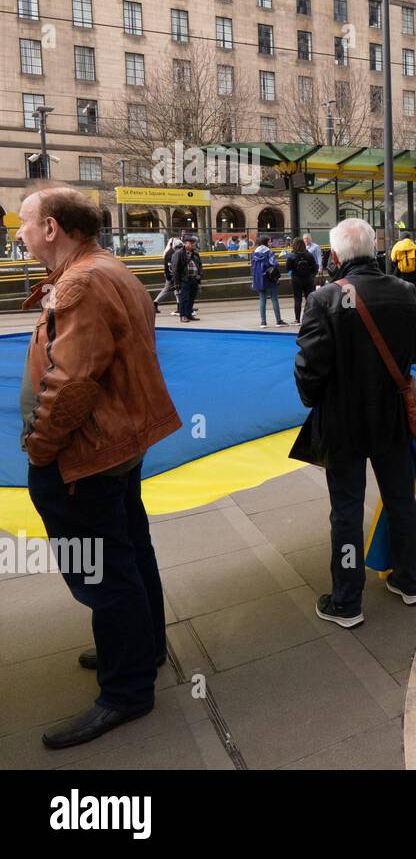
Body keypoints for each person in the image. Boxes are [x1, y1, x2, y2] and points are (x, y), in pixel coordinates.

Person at [18, 187, 181, 749]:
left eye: (25, 222)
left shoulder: (82, 282)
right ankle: (143, 646)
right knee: (131, 549)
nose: (18, 231)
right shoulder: (108, 269)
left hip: (85, 455)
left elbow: (72, 381)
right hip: (117, 446)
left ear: (53, 229)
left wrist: (40, 448)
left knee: (103, 573)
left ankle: (126, 690)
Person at [291, 218, 416, 626]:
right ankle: (410, 579)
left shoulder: (323, 299)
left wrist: (314, 401)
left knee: (347, 510)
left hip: (343, 422)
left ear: (335, 256)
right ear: (373, 249)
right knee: (401, 499)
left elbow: (308, 369)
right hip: (392, 418)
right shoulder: (405, 292)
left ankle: (347, 601)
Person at [251, 236, 288, 327]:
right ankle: (278, 321)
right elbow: (274, 263)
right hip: (269, 278)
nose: (271, 243)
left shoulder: (254, 253)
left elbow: (252, 267)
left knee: (262, 299)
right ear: (266, 243)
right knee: (274, 298)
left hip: (259, 278)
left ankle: (263, 322)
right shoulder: (269, 252)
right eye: (270, 242)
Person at [287, 237, 317, 324]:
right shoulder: (309, 255)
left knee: (297, 299)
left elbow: (288, 268)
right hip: (308, 279)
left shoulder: (291, 256)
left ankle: (297, 320)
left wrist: (293, 274)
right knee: (309, 299)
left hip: (296, 280)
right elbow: (315, 267)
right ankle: (310, 318)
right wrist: (311, 276)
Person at [172, 235, 202, 323]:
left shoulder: (195, 254)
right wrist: (176, 282)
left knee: (191, 298)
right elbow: (175, 268)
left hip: (194, 279)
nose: (193, 244)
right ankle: (183, 315)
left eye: (194, 243)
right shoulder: (179, 253)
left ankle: (189, 314)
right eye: (191, 243)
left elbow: (200, 265)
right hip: (184, 279)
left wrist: (199, 274)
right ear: (185, 243)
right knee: (184, 299)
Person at [390, 231, 416, 304]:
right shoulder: (414, 246)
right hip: (414, 274)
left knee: (402, 290)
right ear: (409, 238)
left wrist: (399, 266)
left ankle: (403, 303)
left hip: (401, 274)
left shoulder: (396, 246)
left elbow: (393, 260)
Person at [154, 236, 182, 315]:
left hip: (170, 275)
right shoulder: (171, 253)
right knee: (176, 290)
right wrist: (173, 277)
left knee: (169, 290)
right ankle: (179, 307)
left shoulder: (170, 252)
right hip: (171, 275)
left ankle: (155, 303)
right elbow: (170, 267)